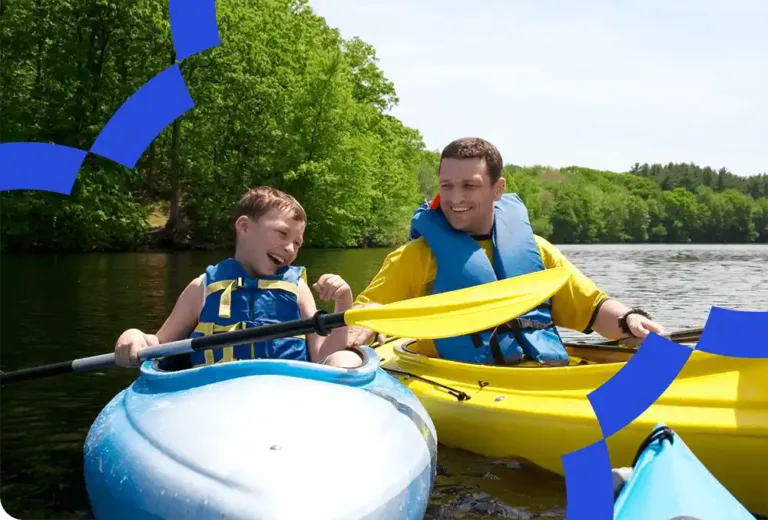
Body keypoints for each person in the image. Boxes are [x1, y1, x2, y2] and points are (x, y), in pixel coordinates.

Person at [346, 137, 665, 366]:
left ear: (498, 189)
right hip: (465, 382)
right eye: (446, 186)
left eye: (469, 186)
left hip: (546, 375)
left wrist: (630, 319)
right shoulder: (417, 256)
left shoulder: (538, 251)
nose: (455, 198)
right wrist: (367, 323)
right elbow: (371, 309)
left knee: (647, 350)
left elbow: (592, 308)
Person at [114, 186, 361, 369]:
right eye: (282, 234)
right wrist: (135, 336)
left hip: (285, 392)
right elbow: (158, 343)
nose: (290, 249)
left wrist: (343, 303)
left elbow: (323, 356)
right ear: (244, 227)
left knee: (346, 359)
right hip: (219, 393)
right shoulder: (202, 287)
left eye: (297, 243)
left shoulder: (298, 289)